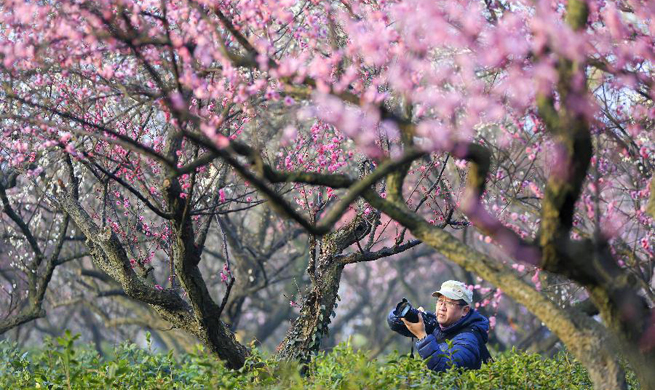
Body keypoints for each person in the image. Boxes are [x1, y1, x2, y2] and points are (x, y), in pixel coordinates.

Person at [387, 280, 491, 372]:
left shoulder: (469, 340)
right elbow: (393, 321)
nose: (442, 307)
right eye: (440, 301)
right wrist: (412, 315)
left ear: (465, 310)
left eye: (449, 303)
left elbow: (445, 368)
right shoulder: (437, 325)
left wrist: (422, 336)